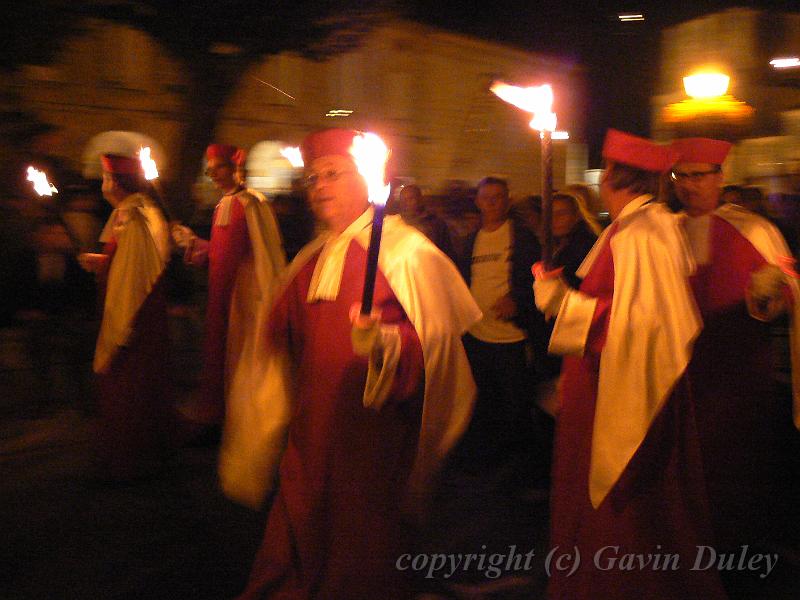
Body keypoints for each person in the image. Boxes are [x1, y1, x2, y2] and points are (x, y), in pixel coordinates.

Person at [221, 128, 480, 598]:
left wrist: (383, 344)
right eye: (313, 178)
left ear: (366, 179)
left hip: (371, 433)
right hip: (311, 427)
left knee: (359, 541)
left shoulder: (408, 254)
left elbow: (435, 350)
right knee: (300, 520)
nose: (318, 186)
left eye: (332, 174)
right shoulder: (311, 257)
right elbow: (275, 337)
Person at [534, 130, 727, 599]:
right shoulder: (642, 226)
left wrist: (563, 303)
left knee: (630, 510)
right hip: (609, 380)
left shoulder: (639, 233)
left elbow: (641, 325)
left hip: (619, 390)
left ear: (612, 177)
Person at [669, 137, 800, 592]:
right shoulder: (665, 231)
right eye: (681, 176)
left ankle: (743, 558)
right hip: (683, 372)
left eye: (699, 175)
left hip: (737, 372)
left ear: (720, 178)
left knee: (737, 466)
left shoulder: (755, 229)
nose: (689, 186)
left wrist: (771, 293)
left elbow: (786, 290)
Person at [172, 143, 286, 429]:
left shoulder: (252, 203)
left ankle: (234, 418)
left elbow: (264, 252)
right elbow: (220, 252)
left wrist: (264, 295)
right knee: (217, 354)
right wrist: (192, 243)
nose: (214, 175)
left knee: (237, 357)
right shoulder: (223, 203)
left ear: (236, 168)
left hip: (243, 296)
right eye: (210, 170)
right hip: (219, 294)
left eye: (219, 167)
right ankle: (215, 414)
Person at [77, 154, 174, 481]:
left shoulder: (136, 217)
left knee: (128, 389)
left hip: (134, 317)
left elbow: (133, 279)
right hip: (136, 313)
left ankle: (126, 463)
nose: (103, 184)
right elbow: (126, 264)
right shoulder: (129, 213)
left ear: (117, 182)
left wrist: (119, 330)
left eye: (106, 177)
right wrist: (101, 262)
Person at [454, 176, 547, 475]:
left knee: (516, 406)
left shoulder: (521, 238)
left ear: (507, 201)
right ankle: (489, 463)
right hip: (479, 337)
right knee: (485, 403)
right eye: (486, 198)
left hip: (511, 338)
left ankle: (521, 468)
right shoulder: (472, 240)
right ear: (478, 202)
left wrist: (517, 301)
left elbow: (540, 282)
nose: (492, 203)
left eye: (498, 197)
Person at [550, 185, 602, 289]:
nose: (555, 219)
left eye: (562, 213)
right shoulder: (558, 243)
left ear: (576, 216)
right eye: (551, 214)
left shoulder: (584, 246)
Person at [396, 183, 453, 257]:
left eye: (410, 199)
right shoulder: (397, 224)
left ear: (420, 199)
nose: (406, 203)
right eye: (403, 200)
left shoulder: (436, 224)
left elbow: (446, 252)